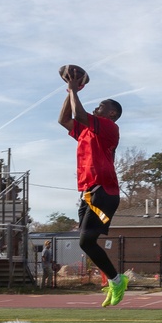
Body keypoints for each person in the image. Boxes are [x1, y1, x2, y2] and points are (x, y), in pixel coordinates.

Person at [57, 66, 129, 307]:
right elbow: (64, 119)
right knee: (86, 242)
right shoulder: (87, 131)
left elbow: (78, 114)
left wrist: (75, 91)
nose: (97, 107)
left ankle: (117, 280)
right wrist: (70, 90)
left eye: (101, 106)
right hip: (88, 192)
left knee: (86, 241)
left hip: (105, 191)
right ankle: (114, 279)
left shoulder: (109, 128)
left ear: (112, 113)